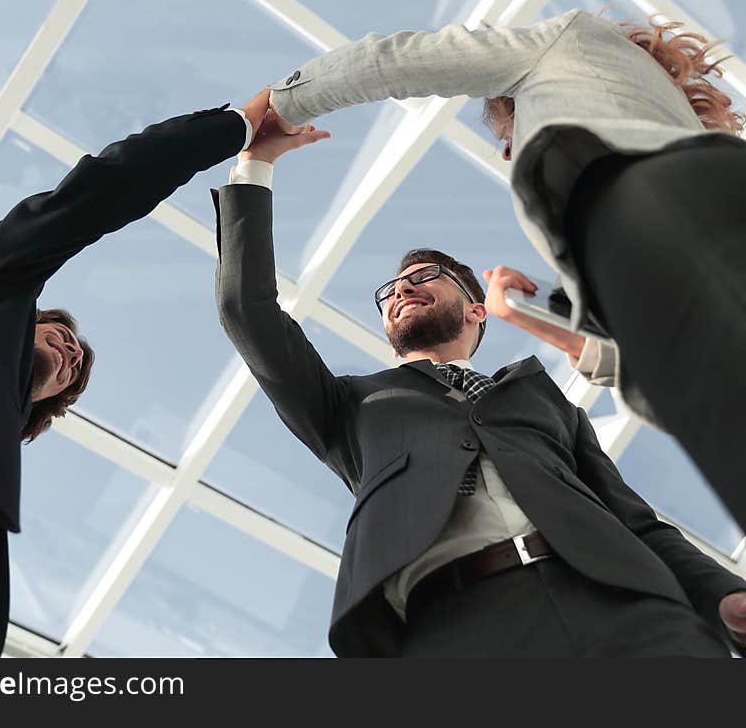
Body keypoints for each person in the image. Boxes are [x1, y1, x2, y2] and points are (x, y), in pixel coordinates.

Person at [212, 107, 746, 657]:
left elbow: (637, 521)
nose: (400, 291)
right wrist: (254, 165)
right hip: (455, 630)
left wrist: (723, 594)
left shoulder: (545, 399)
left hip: (631, 608)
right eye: (390, 291)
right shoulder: (345, 407)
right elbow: (245, 308)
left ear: (477, 310)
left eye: (422, 278)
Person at [265, 9, 746, 529]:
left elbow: (400, 62)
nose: (509, 155)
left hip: (662, 216)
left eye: (509, 136)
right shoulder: (657, 121)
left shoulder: (567, 45)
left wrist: (281, 106)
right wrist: (545, 323)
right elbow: (665, 372)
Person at [0, 92, 270, 657]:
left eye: (73, 372)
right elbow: (96, 193)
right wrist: (233, 129)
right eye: (62, 332)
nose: (73, 353)